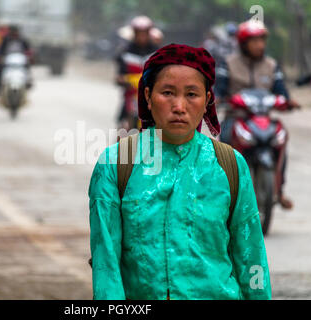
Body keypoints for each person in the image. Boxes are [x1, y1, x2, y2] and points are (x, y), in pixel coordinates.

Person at [89, 44, 272, 300]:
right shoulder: (116, 163)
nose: (179, 106)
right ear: (148, 97)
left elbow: (251, 255)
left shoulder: (230, 164)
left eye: (192, 94)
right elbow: (105, 260)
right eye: (167, 93)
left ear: (208, 100)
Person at [215, 19, 299, 210]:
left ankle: (279, 190)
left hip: (263, 119)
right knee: (224, 147)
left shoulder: (271, 65)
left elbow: (281, 91)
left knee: (280, 143)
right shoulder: (228, 63)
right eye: (254, 41)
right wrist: (218, 98)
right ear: (244, 44)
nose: (259, 45)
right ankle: (223, 192)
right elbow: (219, 89)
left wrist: (288, 101)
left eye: (262, 40)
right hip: (236, 116)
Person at [115, 16, 159, 130]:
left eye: (145, 33)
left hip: (153, 97)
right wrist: (122, 80)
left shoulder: (157, 52)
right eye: (139, 33)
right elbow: (119, 75)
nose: (142, 36)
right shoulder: (125, 52)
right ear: (134, 33)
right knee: (124, 127)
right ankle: (124, 146)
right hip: (131, 95)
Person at [0, 25, 33, 95]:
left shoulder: (22, 40)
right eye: (13, 32)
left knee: (27, 68)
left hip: (20, 60)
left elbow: (28, 50)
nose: (14, 33)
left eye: (15, 32)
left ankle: (28, 82)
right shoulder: (5, 40)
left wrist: (30, 56)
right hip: (8, 60)